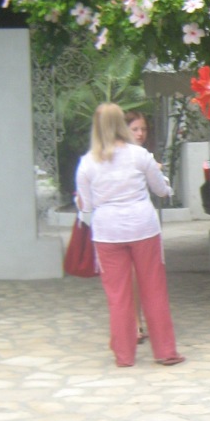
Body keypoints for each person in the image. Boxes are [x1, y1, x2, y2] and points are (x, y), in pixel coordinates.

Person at [76, 103, 185, 367]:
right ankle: (166, 351)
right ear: (121, 123)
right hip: (143, 228)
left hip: (107, 232)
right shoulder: (139, 155)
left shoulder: (88, 163)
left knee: (118, 295)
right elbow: (161, 190)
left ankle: (124, 355)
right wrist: (165, 183)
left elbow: (86, 205)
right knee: (154, 290)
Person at [125, 109, 154, 343]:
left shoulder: (142, 155)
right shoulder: (118, 155)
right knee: (129, 277)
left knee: (136, 277)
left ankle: (136, 322)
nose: (140, 133)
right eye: (135, 129)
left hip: (138, 225)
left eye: (143, 129)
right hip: (124, 226)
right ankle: (133, 323)